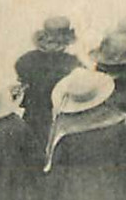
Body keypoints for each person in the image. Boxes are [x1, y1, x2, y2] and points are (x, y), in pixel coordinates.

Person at [44, 69, 126, 200]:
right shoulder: (117, 121)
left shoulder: (63, 129)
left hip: (75, 197)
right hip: (110, 191)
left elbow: (56, 170)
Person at [13, 17, 81, 152]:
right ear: (66, 43)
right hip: (57, 116)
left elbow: (21, 77)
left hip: (33, 112)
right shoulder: (72, 65)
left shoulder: (25, 60)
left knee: (31, 145)